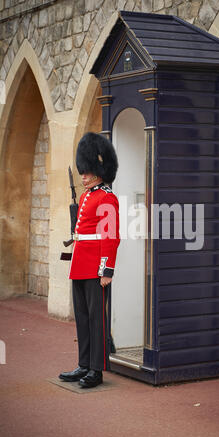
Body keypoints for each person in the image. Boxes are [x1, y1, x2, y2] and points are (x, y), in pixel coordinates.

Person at [59, 132, 120, 388]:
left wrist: (106, 270)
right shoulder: (85, 197)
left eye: (87, 171)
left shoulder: (107, 197)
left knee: (97, 320)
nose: (83, 176)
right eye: (82, 171)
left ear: (98, 171)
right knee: (83, 318)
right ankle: (83, 364)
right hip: (80, 265)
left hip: (96, 267)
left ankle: (96, 369)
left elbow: (111, 237)